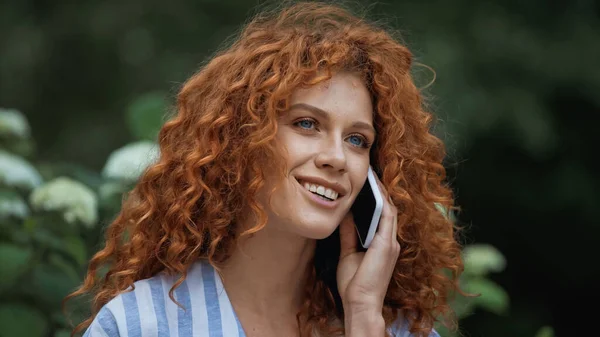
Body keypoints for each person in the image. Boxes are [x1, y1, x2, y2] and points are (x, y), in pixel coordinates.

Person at [67, 2, 464, 337]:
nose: (337, 157)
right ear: (242, 140)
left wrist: (362, 315)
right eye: (307, 124)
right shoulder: (142, 324)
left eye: (357, 140)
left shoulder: (395, 329)